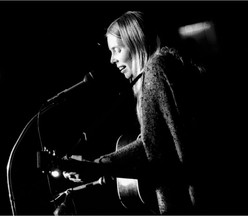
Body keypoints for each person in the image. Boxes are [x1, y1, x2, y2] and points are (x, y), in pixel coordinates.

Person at [61, 10, 205, 215]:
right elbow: (157, 141)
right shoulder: (168, 69)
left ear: (135, 44)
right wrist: (99, 166)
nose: (112, 60)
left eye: (117, 50)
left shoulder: (156, 69)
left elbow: (153, 149)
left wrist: (98, 167)